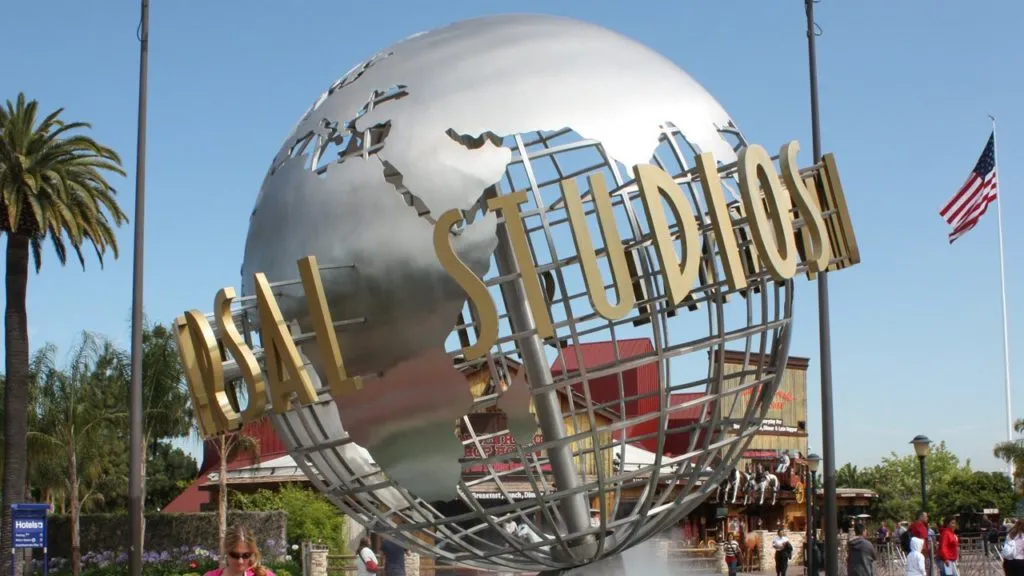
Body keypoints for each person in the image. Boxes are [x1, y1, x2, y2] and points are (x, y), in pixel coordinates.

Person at [203, 526, 274, 576]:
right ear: (226, 551)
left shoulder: (264, 574)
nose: (240, 561)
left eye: (246, 555)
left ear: (252, 553)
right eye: (235, 555)